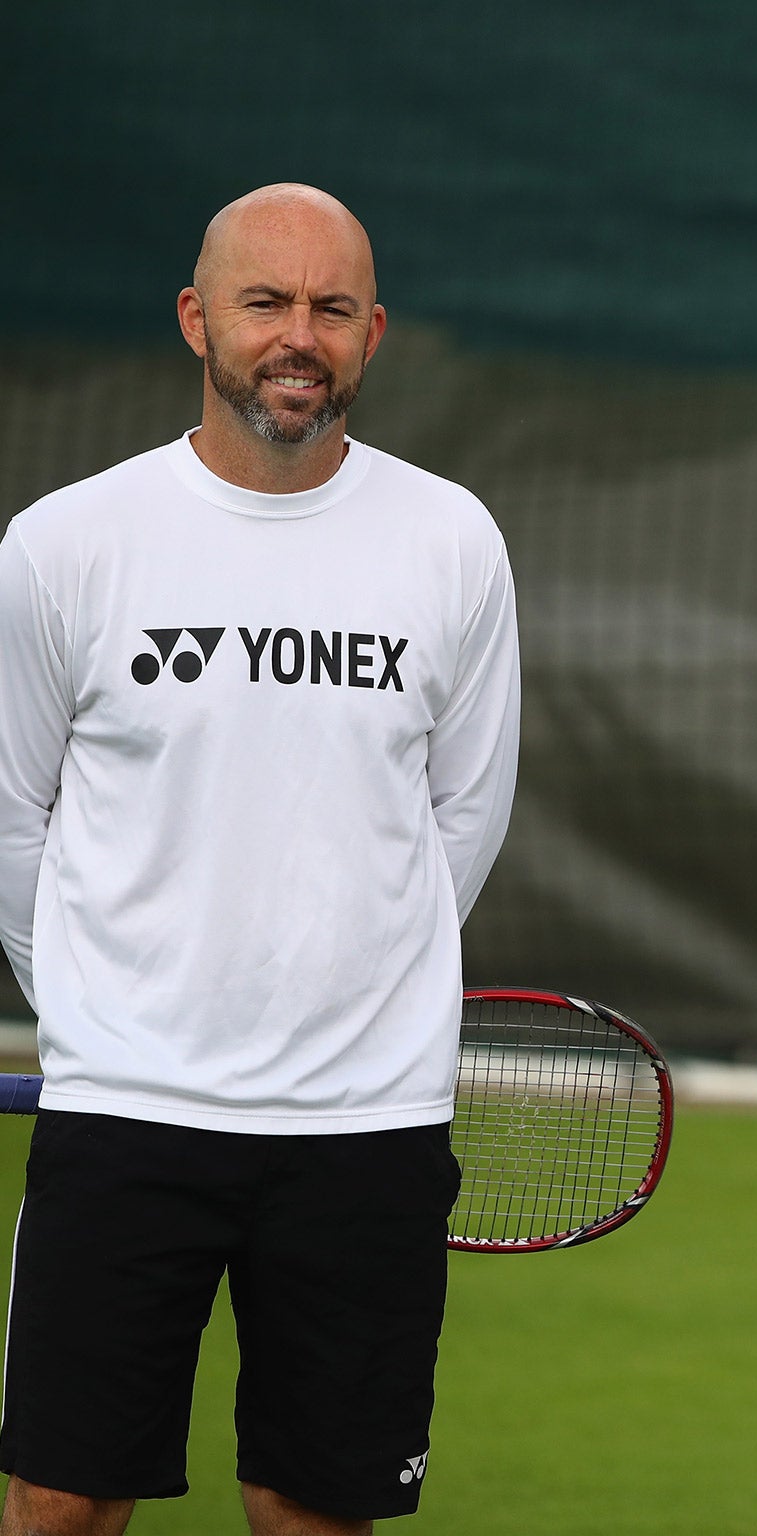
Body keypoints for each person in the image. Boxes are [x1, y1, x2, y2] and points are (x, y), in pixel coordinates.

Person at [0, 184, 520, 1536]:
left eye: (330, 309)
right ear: (196, 320)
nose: (298, 336)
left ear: (373, 334)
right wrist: (107, 1010)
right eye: (265, 303)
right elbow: (12, 819)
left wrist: (344, 987)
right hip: (126, 1116)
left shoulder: (451, 539)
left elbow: (463, 816)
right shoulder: (64, 544)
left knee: (311, 1515)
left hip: (364, 1130)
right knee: (58, 1506)